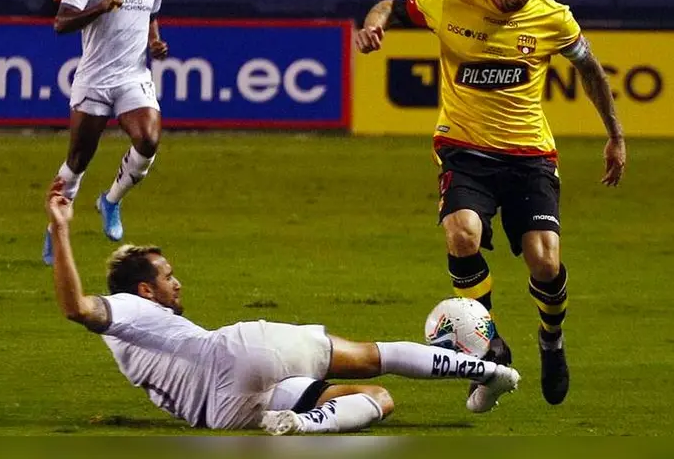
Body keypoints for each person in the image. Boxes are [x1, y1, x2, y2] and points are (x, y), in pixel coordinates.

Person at [354, 0, 626, 406]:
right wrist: (374, 25)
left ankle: (551, 339)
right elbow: (390, 6)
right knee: (462, 234)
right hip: (464, 149)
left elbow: (589, 68)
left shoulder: (553, 17)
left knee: (545, 261)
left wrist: (615, 135)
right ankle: (488, 348)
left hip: (530, 156)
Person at [44, 178, 520, 435]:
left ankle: (303, 424)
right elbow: (76, 307)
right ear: (143, 290)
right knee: (376, 355)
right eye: (167, 276)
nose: (177, 282)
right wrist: (61, 230)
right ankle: (491, 373)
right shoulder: (126, 308)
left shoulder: (132, 341)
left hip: (220, 413)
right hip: (234, 353)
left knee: (378, 400)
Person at [42, 0, 169, 264]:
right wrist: (99, 7)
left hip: (133, 76)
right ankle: (56, 229)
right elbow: (61, 23)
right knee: (77, 161)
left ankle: (110, 200)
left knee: (148, 139)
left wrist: (154, 41)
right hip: (95, 80)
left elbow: (151, 14)